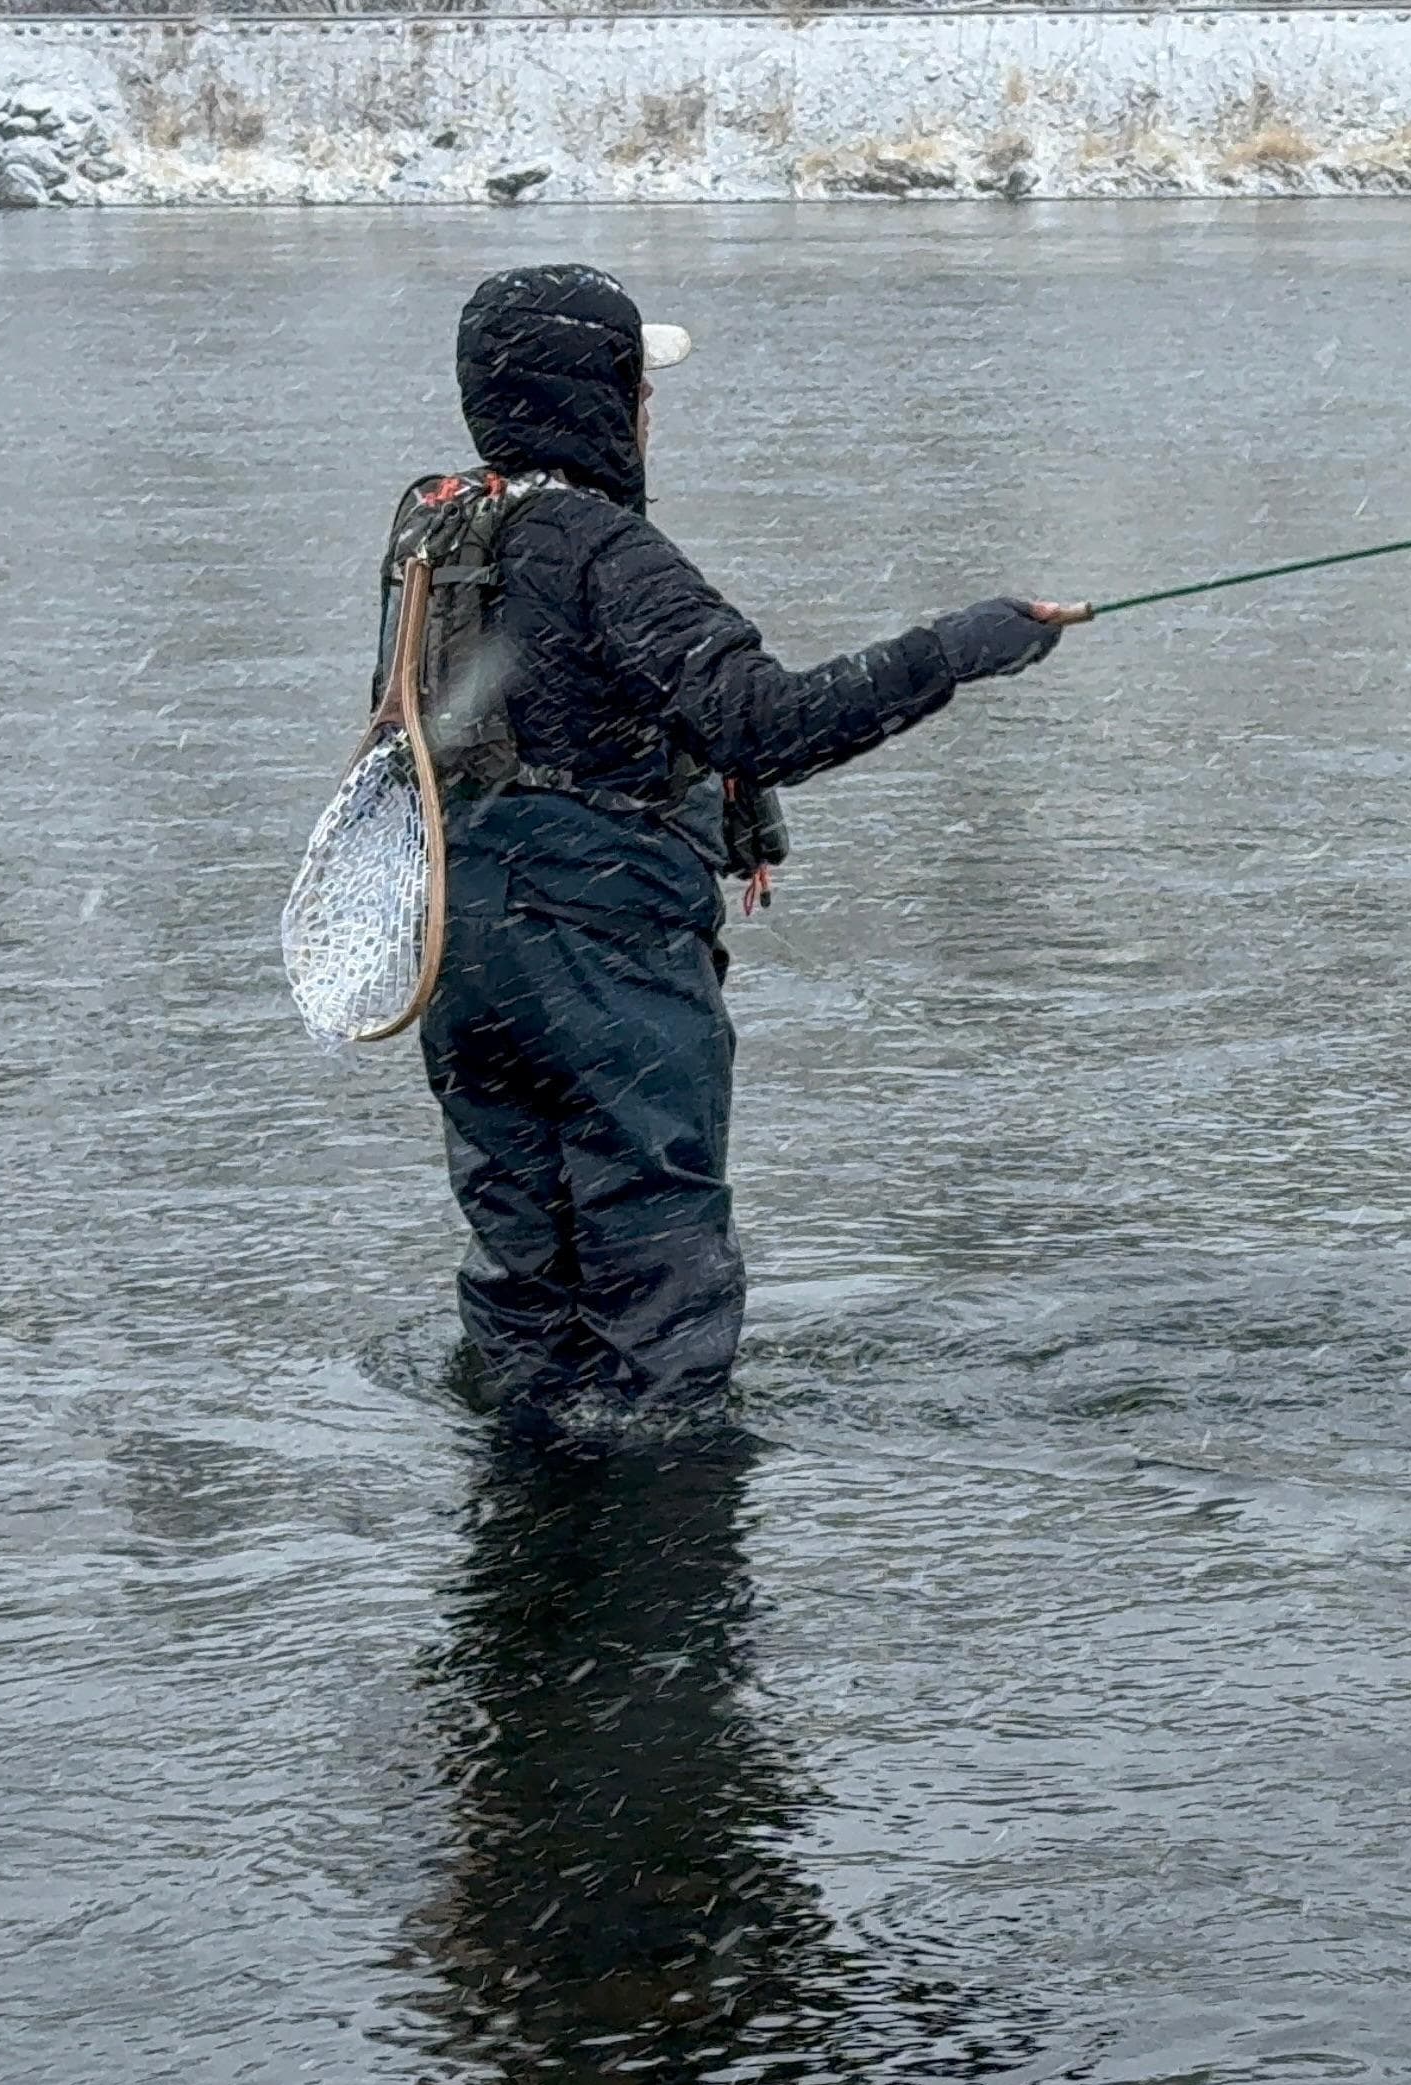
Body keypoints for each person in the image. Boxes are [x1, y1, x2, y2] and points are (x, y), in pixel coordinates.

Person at [400, 263, 1072, 1428]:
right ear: (601, 399)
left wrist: (724, 811)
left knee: (523, 1259)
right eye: (639, 387)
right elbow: (765, 719)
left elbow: (508, 723)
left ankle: (528, 1519)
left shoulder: (432, 525)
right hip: (597, 949)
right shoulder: (606, 551)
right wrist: (957, 648)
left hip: (457, 941)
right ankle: (665, 1527)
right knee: (654, 1265)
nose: (651, 412)